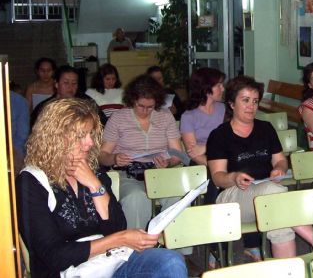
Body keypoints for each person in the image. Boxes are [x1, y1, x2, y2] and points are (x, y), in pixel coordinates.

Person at [16, 98, 187, 278]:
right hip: (70, 271)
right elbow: (55, 256)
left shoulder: (93, 171)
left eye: (91, 134)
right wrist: (120, 239)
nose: (90, 143)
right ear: (55, 137)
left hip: (111, 262)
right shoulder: (31, 182)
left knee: (171, 261)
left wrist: (95, 186)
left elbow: (118, 226)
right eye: (81, 135)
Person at [207, 76, 313, 258]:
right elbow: (218, 177)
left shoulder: (266, 128)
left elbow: (280, 161)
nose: (251, 106)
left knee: (281, 223)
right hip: (233, 196)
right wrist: (234, 177)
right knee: (274, 193)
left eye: (255, 101)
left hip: (268, 194)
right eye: (245, 100)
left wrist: (279, 168)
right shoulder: (219, 135)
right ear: (232, 104)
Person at [99, 74, 184, 230]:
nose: (145, 111)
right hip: (128, 173)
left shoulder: (165, 116)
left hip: (158, 172)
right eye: (140, 106)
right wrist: (115, 158)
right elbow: (102, 156)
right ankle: (137, 249)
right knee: (136, 198)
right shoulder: (118, 118)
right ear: (132, 100)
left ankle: (175, 248)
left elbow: (176, 153)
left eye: (150, 107)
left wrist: (168, 162)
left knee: (177, 198)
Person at [30, 65, 107, 128]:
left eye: (74, 83)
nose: (70, 87)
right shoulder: (44, 107)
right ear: (56, 84)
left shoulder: (86, 101)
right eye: (66, 83)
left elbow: (102, 122)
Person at [180, 67, 225, 166]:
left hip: (225, 158)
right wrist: (217, 168)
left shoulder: (225, 109)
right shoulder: (188, 117)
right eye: (219, 85)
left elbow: (232, 141)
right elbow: (194, 154)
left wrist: (205, 147)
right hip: (202, 165)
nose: (223, 88)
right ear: (206, 88)